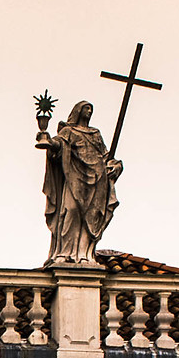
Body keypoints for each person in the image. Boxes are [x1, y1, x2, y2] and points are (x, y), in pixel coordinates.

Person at [40, 100, 121, 265]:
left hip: (97, 179)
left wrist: (116, 165)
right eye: (86, 108)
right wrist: (47, 139)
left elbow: (105, 156)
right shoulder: (69, 131)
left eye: (91, 108)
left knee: (91, 217)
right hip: (75, 177)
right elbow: (59, 144)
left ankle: (84, 253)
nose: (89, 111)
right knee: (71, 210)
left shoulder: (95, 134)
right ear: (78, 111)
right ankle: (64, 252)